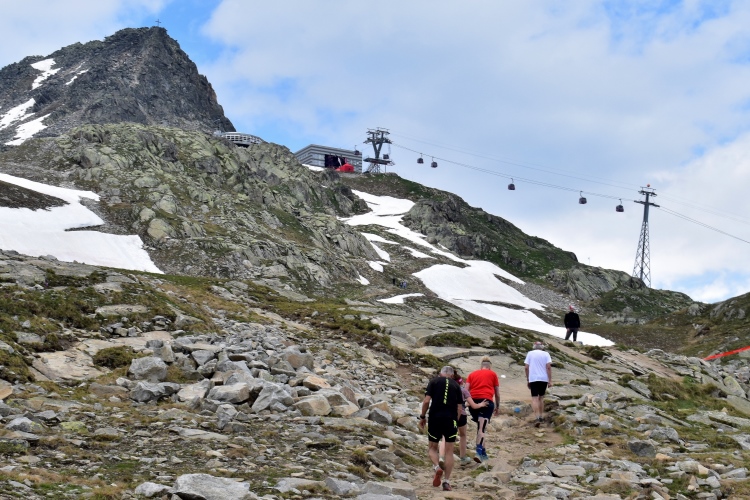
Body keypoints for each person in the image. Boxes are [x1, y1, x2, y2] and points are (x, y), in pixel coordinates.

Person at [419, 366, 463, 491]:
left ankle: (437, 467)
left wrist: (422, 416)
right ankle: (447, 482)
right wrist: (456, 421)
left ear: (440, 373)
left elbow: (426, 401)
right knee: (449, 452)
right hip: (451, 420)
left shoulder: (434, 382)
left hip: (435, 418)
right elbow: (459, 408)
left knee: (432, 448)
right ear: (452, 375)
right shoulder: (456, 386)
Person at [438, 371, 489, 467]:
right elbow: (474, 406)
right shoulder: (463, 391)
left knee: (445, 437)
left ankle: (441, 457)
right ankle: (463, 458)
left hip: (448, 415)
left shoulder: (445, 389)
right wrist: (481, 404)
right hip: (461, 415)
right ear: (460, 382)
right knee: (462, 435)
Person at [465, 356, 500, 462]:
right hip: (486, 402)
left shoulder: (472, 374)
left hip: (473, 402)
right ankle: (479, 452)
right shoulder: (493, 374)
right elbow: (497, 393)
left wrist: (467, 402)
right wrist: (497, 406)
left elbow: (465, 390)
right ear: (490, 366)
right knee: (482, 428)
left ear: (481, 366)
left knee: (480, 427)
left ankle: (484, 454)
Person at [524, 341, 553, 426]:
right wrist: (550, 380)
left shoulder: (530, 353)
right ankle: (541, 416)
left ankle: (536, 417)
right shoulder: (546, 354)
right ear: (542, 347)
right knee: (541, 398)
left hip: (533, 378)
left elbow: (526, 367)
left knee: (534, 398)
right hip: (543, 378)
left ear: (534, 346)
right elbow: (548, 367)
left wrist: (528, 379)